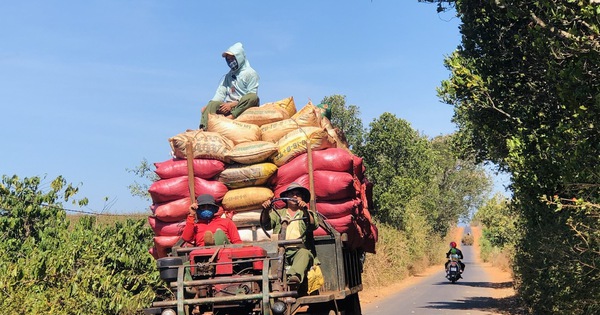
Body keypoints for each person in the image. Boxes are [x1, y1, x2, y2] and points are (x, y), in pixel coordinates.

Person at [262, 183, 319, 285]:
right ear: (286, 198)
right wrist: (266, 210)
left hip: (298, 252)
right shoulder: (278, 213)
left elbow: (312, 225)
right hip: (279, 252)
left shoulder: (306, 213)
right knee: (269, 260)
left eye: (298, 194)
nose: (295, 196)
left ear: (303, 198)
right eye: (291, 194)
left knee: (305, 253)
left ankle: (293, 277)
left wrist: (305, 210)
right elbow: (267, 225)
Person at [199, 42, 260, 130]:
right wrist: (209, 107)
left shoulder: (250, 73)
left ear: (239, 57)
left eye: (232, 58)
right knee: (212, 104)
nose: (230, 62)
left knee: (253, 97)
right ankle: (204, 128)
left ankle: (231, 117)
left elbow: (251, 94)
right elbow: (220, 94)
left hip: (242, 105)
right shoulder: (228, 76)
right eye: (228, 59)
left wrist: (231, 105)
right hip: (227, 106)